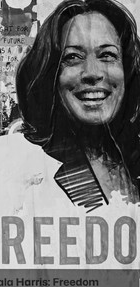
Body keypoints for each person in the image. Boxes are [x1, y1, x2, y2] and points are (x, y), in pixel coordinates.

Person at [15, 0, 140, 209]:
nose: (92, 72)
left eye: (107, 55)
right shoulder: (26, 167)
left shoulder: (131, 155)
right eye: (73, 57)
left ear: (127, 72)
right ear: (50, 75)